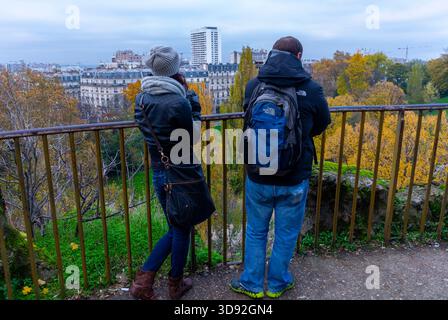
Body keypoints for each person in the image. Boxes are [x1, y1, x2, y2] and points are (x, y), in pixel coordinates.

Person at [230, 36, 331, 299]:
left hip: (259, 172)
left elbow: (248, 119)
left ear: (272, 54)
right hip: (294, 175)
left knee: (255, 230)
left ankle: (251, 283)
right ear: (299, 56)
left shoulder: (254, 86)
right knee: (286, 233)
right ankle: (277, 283)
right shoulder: (311, 89)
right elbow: (321, 124)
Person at [131, 46, 202, 300]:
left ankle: (145, 282)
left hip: (159, 171)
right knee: (181, 229)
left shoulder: (141, 98)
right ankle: (172, 284)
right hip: (181, 173)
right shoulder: (178, 101)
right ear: (175, 68)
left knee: (177, 226)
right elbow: (190, 137)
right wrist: (194, 106)